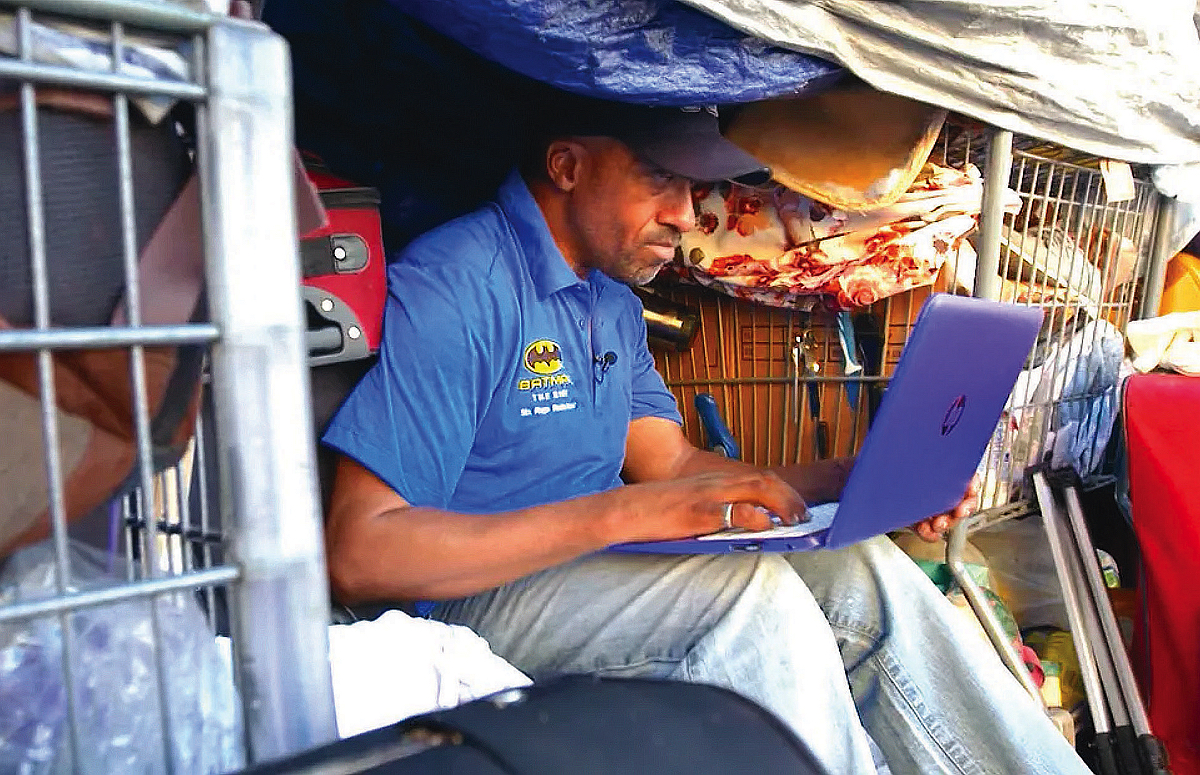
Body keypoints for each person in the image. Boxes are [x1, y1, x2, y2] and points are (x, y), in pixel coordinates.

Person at [321, 100, 1091, 774]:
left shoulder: (608, 299)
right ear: (567, 166)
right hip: (469, 600)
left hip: (594, 567)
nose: (688, 216)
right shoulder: (461, 282)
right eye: (661, 179)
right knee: (749, 600)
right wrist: (627, 515)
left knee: (865, 569)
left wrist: (848, 478)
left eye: (692, 190)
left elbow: (671, 462)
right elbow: (362, 553)